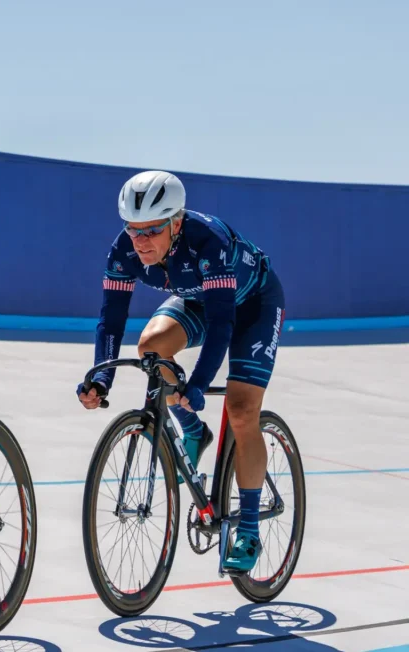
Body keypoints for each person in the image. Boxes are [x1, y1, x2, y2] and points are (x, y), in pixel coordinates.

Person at [77, 170, 285, 574]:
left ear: (176, 222)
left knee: (242, 412)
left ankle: (249, 530)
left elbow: (224, 324)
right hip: (199, 299)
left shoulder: (209, 242)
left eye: (151, 230)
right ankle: (192, 429)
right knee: (151, 348)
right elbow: (111, 318)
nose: (141, 241)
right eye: (133, 230)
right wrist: (101, 380)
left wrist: (200, 384)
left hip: (252, 304)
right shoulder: (124, 251)